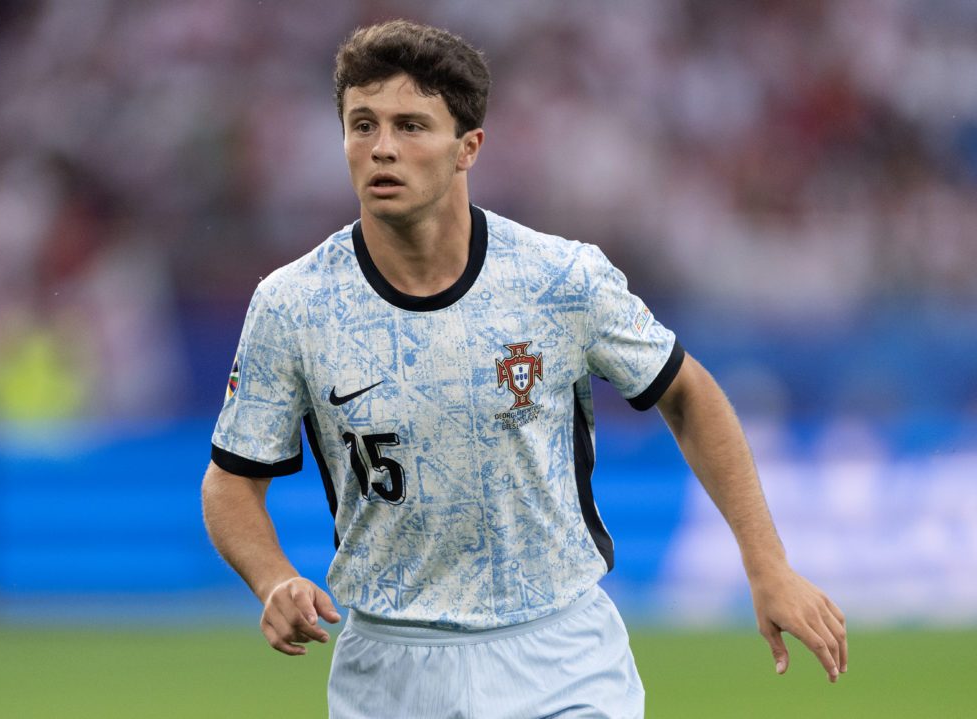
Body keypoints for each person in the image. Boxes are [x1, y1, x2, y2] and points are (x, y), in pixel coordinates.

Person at [201, 19, 847, 718]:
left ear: (467, 148)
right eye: (362, 125)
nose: (382, 147)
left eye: (412, 126)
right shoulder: (292, 304)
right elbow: (232, 482)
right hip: (388, 669)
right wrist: (273, 581)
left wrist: (766, 563)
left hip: (558, 656)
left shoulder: (559, 278)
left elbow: (688, 393)